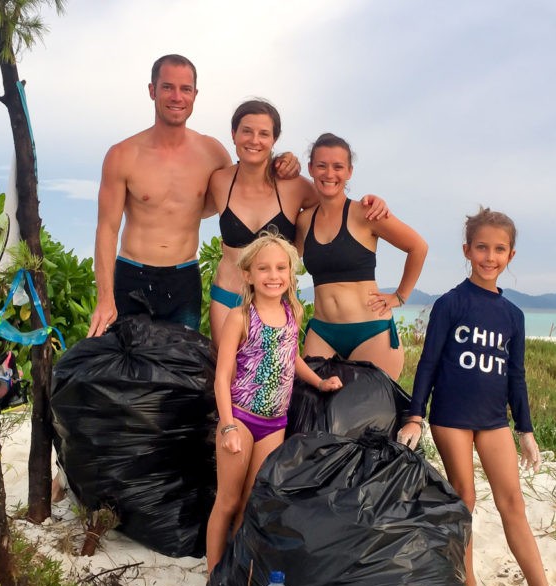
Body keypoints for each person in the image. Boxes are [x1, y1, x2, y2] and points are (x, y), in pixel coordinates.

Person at [396, 208, 556, 586]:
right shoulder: (450, 304)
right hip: (451, 417)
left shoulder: (513, 316)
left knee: (514, 503)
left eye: (499, 249)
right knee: (465, 500)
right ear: (467, 250)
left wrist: (525, 430)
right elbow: (429, 363)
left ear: (510, 254)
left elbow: (516, 376)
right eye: (482, 248)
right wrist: (416, 415)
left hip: (493, 421)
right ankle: (467, 584)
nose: (489, 256)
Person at [87, 56, 299, 337]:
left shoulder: (211, 153)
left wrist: (284, 161)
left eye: (185, 89)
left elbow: (248, 183)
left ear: (195, 95)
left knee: (182, 372)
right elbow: (107, 229)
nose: (177, 97)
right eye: (167, 87)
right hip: (132, 275)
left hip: (184, 278)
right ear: (152, 90)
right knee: (129, 374)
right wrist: (104, 298)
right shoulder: (122, 155)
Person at [206, 233, 342, 572]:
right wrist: (228, 427)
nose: (273, 275)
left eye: (281, 268)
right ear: (248, 274)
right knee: (227, 500)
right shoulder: (240, 318)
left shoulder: (291, 312)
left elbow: (290, 356)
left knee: (250, 502)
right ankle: (212, 573)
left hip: (274, 424)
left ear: (291, 274)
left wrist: (319, 381)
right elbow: (222, 378)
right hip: (241, 418)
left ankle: (232, 572)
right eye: (264, 268)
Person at [208, 101, 388, 348]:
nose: (254, 140)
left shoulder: (295, 187)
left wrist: (372, 204)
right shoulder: (219, 181)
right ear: (233, 134)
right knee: (225, 375)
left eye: (264, 134)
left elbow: (336, 205)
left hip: (274, 300)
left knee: (274, 379)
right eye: (246, 131)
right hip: (227, 296)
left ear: (275, 139)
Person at [295, 133, 427, 380]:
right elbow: (287, 261)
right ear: (311, 168)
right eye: (321, 165)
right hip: (322, 331)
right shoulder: (304, 220)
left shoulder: (365, 212)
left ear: (349, 172)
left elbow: (418, 247)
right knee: (310, 409)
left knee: (373, 416)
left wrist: (400, 295)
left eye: (338, 167)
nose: (329, 173)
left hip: (370, 332)